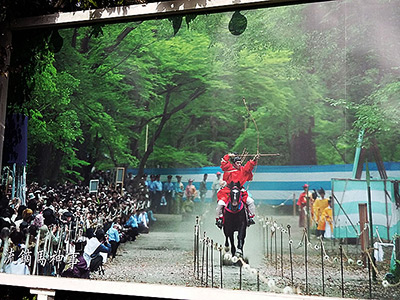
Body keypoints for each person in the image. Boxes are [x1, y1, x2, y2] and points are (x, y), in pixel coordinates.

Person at [215, 153, 259, 228]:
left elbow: (249, 167)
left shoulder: (243, 169)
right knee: (220, 204)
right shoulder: (229, 168)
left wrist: (254, 160)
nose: (239, 164)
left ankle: (250, 218)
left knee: (251, 201)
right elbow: (224, 163)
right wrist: (228, 156)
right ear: (234, 163)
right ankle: (220, 219)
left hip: (240, 191)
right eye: (237, 163)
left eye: (240, 163)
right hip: (228, 191)